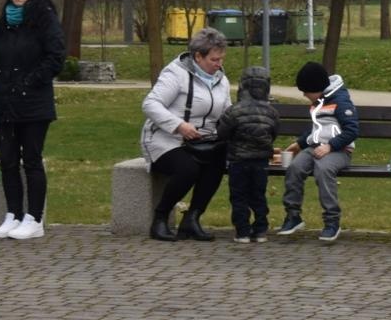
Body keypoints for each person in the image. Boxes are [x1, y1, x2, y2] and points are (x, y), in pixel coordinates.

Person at [0, 0, 65, 240]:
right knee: (7, 160)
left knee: (31, 160)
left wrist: (29, 82)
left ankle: (34, 218)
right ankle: (13, 214)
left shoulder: (45, 17)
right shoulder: (4, 21)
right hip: (5, 102)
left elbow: (55, 57)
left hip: (33, 103)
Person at [141, 27, 230, 242]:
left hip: (203, 142)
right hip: (166, 140)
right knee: (188, 168)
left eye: (220, 59)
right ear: (198, 56)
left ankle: (192, 218)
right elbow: (150, 104)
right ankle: (160, 218)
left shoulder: (221, 79)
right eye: (214, 60)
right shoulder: (176, 74)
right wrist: (179, 126)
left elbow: (227, 111)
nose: (219, 65)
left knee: (219, 162)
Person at [278, 61, 361, 243]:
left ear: (317, 88)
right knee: (295, 168)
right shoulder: (319, 101)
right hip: (315, 147)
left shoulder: (340, 102)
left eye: (306, 91)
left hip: (340, 150)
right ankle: (293, 215)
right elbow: (316, 129)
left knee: (323, 170)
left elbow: (352, 130)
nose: (304, 95)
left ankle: (332, 221)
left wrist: (330, 146)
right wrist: (299, 144)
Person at [216, 66, 279, 243]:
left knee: (239, 196)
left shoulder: (234, 111)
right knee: (258, 194)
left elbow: (222, 133)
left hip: (238, 160)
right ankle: (260, 230)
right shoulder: (272, 112)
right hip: (260, 161)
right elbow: (273, 133)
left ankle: (242, 231)